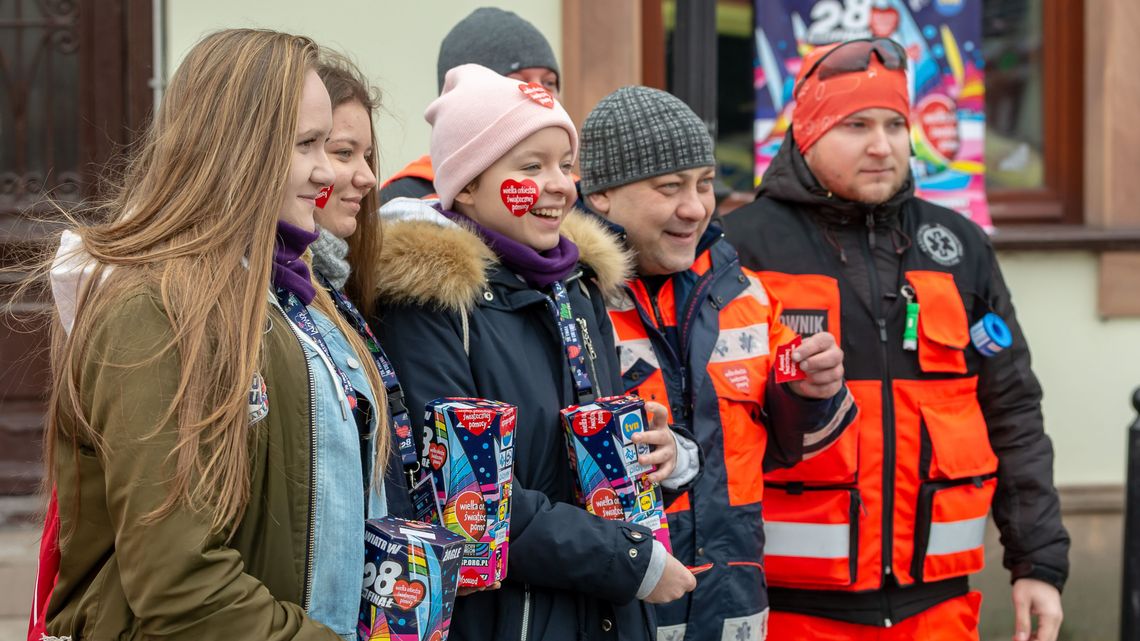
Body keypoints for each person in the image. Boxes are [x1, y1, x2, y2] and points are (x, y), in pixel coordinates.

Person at [38, 29, 390, 640]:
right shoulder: (152, 309)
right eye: (308, 144)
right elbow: (181, 585)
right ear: (238, 147)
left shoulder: (284, 289)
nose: (324, 171)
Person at [722, 38, 1069, 641]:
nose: (882, 146)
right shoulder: (740, 249)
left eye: (894, 124)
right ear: (806, 132)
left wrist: (1036, 561)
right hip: (789, 613)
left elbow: (1012, 410)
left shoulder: (959, 248)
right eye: (855, 125)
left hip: (937, 612)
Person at [368, 63, 698, 641]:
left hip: (603, 614)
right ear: (466, 184)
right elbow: (471, 500)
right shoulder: (430, 303)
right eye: (531, 167)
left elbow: (583, 454)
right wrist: (629, 562)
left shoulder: (578, 286)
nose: (560, 185)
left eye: (565, 166)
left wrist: (651, 455)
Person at [578, 86, 857, 641]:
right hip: (621, 608)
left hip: (734, 602)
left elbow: (787, 448)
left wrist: (811, 391)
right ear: (602, 194)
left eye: (704, 184)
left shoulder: (743, 292)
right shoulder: (568, 302)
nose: (695, 207)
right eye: (669, 187)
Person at [312, 52, 419, 519]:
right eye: (343, 153)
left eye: (368, 156)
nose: (368, 177)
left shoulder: (340, 279)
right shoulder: (263, 296)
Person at [379, 6, 561, 204]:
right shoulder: (406, 200)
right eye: (519, 82)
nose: (542, 95)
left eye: (549, 83)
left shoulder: (574, 196)